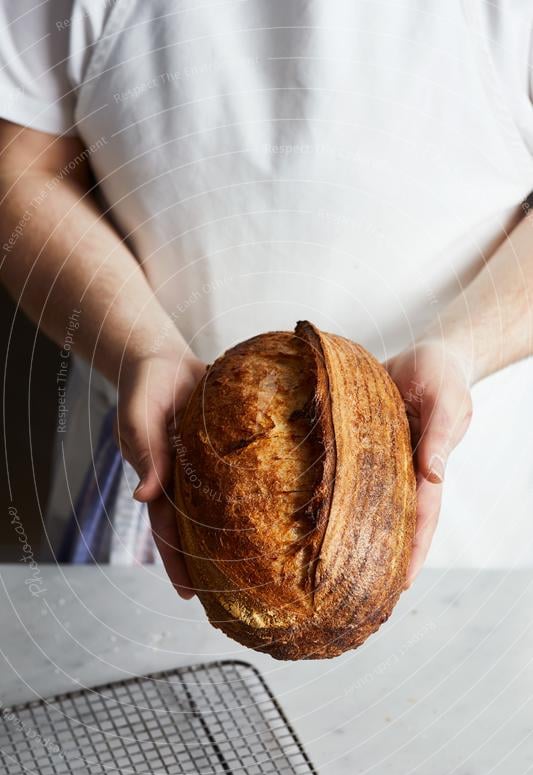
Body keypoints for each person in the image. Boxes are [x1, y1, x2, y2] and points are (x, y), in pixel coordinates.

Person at [1, 0, 532, 598]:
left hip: (469, 490)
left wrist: (461, 350)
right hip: (150, 444)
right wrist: (140, 348)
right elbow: (21, 167)